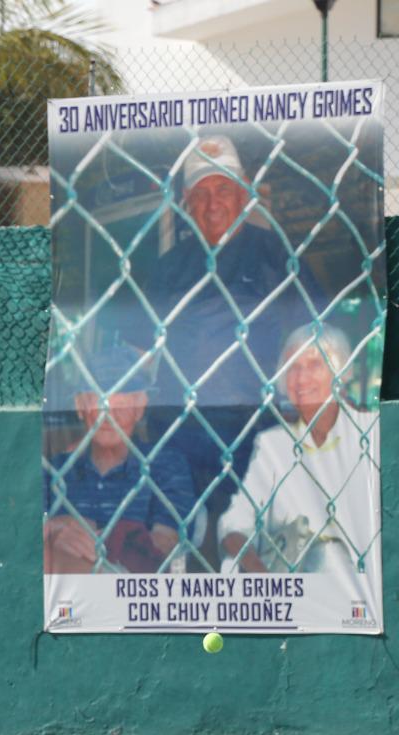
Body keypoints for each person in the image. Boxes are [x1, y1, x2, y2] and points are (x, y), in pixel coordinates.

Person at [130, 133, 324, 536]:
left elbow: (319, 336)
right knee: (181, 544)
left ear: (243, 194)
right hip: (178, 433)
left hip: (255, 430)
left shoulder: (278, 257)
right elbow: (137, 351)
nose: (213, 203)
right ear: (186, 203)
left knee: (254, 541)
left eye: (223, 189)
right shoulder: (168, 269)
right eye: (200, 194)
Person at [217, 326, 380, 593]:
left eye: (315, 364)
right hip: (291, 584)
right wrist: (264, 579)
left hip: (363, 584)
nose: (301, 378)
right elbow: (236, 521)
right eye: (293, 367)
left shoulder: (372, 432)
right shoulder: (273, 444)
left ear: (343, 372)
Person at [44, 342, 197, 574]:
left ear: (140, 408)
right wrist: (55, 529)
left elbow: (167, 543)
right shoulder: (55, 469)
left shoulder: (166, 465)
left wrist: (87, 533)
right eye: (100, 404)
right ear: (80, 406)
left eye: (122, 405)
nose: (109, 417)